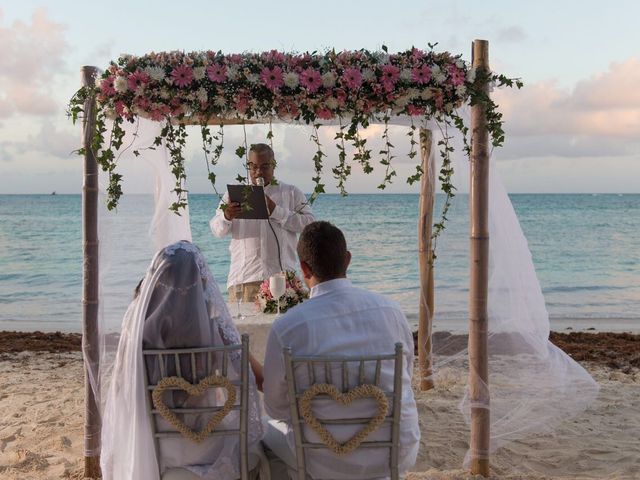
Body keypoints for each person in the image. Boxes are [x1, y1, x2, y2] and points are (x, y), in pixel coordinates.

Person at [262, 221, 420, 479]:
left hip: (322, 461)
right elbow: (406, 380)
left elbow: (277, 409)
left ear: (303, 268)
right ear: (347, 260)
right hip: (395, 452)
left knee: (263, 436)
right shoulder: (391, 311)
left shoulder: (287, 327)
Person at [100, 240, 266, 480]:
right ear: (202, 282)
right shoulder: (215, 332)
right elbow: (257, 380)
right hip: (207, 442)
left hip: (156, 445)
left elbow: (121, 391)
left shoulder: (137, 333)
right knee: (258, 447)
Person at [210, 143, 315, 302]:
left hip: (285, 279)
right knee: (244, 327)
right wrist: (227, 216)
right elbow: (217, 230)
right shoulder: (234, 194)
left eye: (265, 167)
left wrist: (276, 211)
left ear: (273, 165)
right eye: (253, 167)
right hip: (245, 279)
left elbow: (309, 225)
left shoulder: (291, 192)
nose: (258, 172)